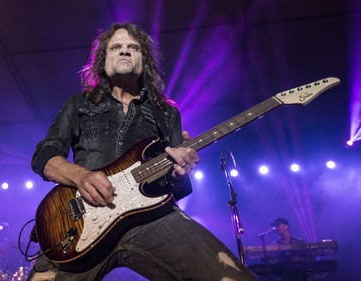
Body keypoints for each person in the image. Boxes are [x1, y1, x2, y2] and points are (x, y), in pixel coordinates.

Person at [27, 22, 257, 281]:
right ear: (104, 61)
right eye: (116, 47)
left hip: (152, 219)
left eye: (132, 47)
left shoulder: (167, 112)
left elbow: (176, 184)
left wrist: (181, 172)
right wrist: (80, 176)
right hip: (81, 223)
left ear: (143, 60)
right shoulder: (78, 105)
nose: (124, 51)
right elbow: (44, 156)